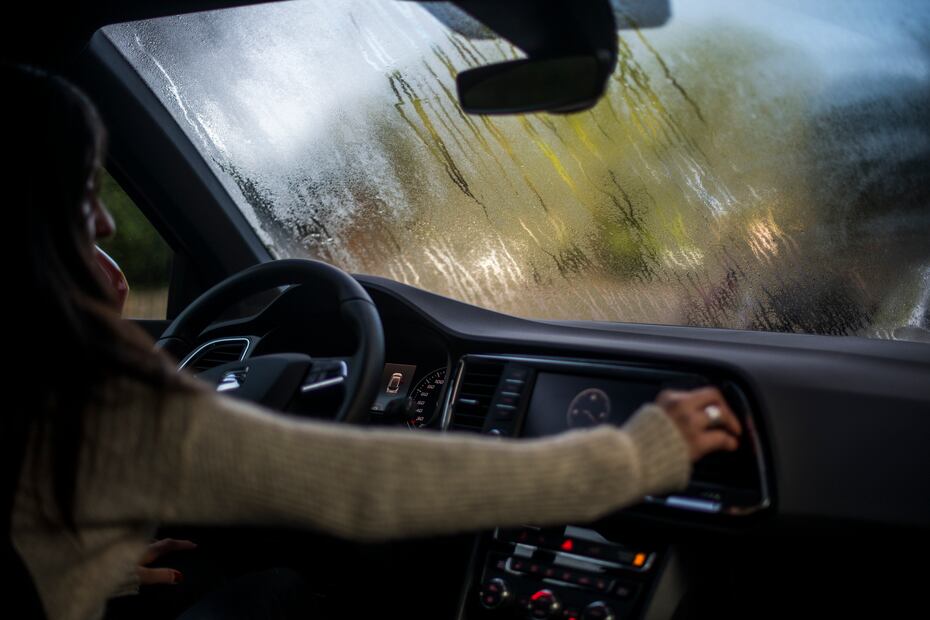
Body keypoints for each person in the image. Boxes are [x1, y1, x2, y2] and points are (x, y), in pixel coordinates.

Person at [2, 64, 742, 620]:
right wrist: (637, 454)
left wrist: (79, 560)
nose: (103, 225)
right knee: (285, 596)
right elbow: (370, 486)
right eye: (85, 199)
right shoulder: (105, 413)